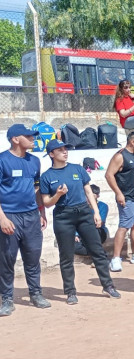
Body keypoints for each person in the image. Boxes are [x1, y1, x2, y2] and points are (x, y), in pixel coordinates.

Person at [40, 140, 120, 304]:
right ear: (51, 154)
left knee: (97, 251)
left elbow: (89, 191)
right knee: (66, 256)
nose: (65, 151)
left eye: (65, 149)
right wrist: (58, 195)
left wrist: (96, 212)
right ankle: (70, 291)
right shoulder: (47, 176)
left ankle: (108, 285)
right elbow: (46, 202)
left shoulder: (77, 168)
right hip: (63, 215)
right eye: (60, 150)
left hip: (83, 212)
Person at [0, 124, 50, 316]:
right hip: (9, 216)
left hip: (31, 216)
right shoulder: (2, 160)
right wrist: (2, 218)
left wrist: (42, 212)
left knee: (32, 257)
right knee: (6, 259)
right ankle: (6, 298)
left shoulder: (34, 161)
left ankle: (36, 293)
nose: (33, 139)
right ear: (15, 139)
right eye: (28, 136)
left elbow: (37, 188)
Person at [104, 131, 134, 272]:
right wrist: (118, 193)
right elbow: (109, 175)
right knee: (124, 227)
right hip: (127, 198)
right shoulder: (120, 156)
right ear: (132, 142)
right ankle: (115, 258)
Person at [74, 184, 109, 256]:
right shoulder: (81, 206)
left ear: (97, 196)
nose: (88, 198)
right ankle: (100, 253)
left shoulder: (102, 206)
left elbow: (100, 223)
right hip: (82, 232)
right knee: (74, 247)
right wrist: (75, 234)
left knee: (92, 236)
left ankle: (98, 255)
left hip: (98, 231)